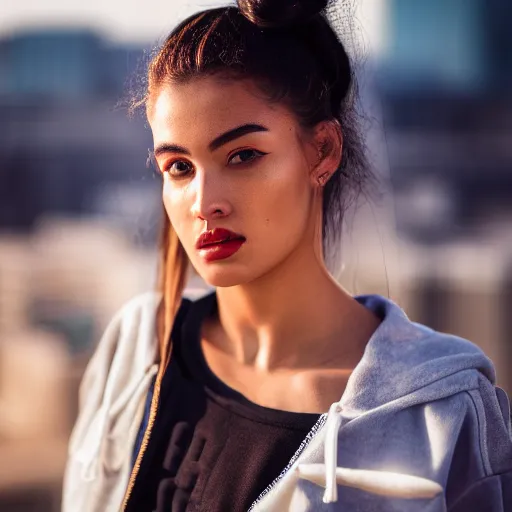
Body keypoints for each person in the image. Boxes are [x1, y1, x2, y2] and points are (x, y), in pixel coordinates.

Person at [61, 1, 512, 511]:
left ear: (322, 151)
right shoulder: (136, 351)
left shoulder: (440, 416)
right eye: (179, 167)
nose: (205, 202)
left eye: (243, 156)